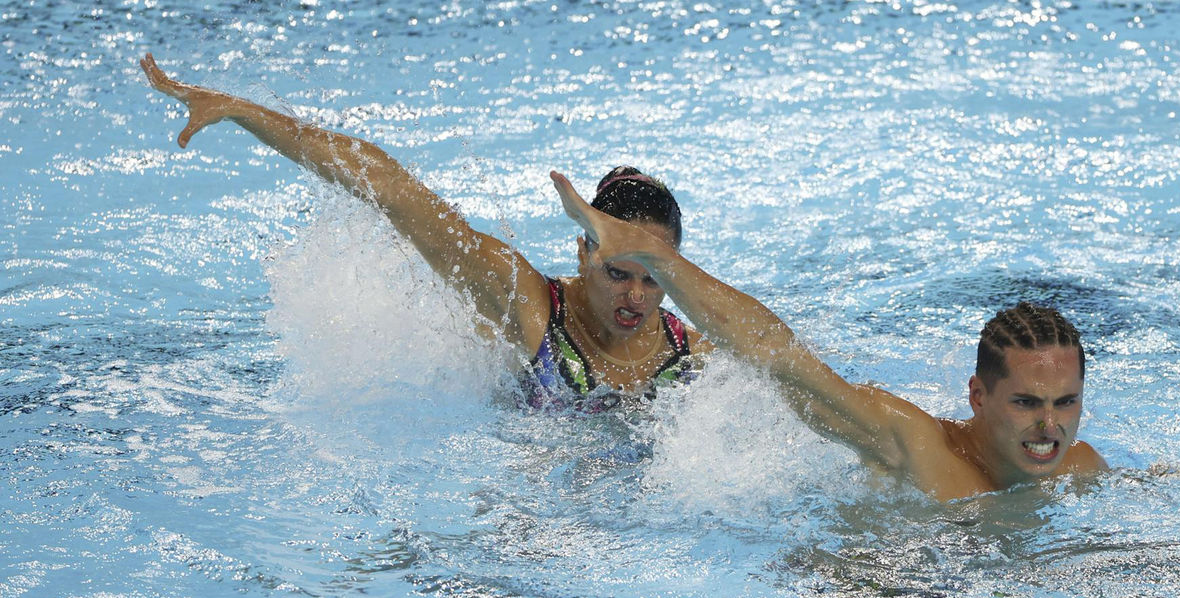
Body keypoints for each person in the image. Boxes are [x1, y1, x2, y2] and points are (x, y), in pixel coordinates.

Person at [139, 54, 710, 407]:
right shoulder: (531, 307)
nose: (636, 297)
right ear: (584, 253)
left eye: (654, 278)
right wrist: (243, 111)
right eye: (619, 273)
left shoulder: (693, 354)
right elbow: (390, 189)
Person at [549, 171, 1108, 501]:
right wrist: (654, 257)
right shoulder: (913, 445)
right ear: (978, 396)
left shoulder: (1080, 469)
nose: (1049, 426)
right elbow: (780, 359)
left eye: (1066, 402)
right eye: (1027, 403)